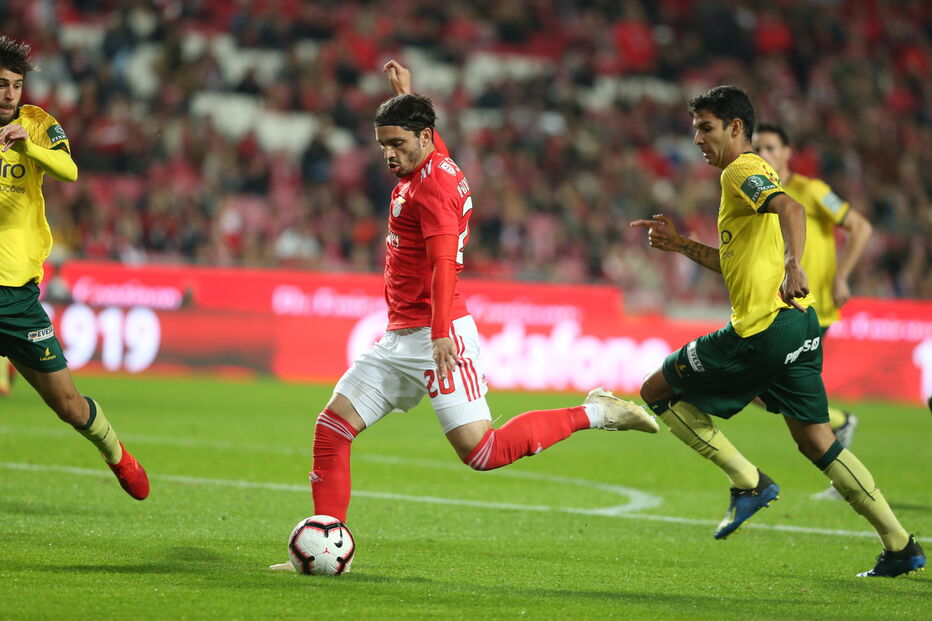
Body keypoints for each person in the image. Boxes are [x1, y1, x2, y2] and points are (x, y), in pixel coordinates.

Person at [268, 59, 658, 571]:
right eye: (383, 144)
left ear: (425, 137)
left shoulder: (432, 191)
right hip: (399, 341)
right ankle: (325, 542)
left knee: (482, 452)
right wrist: (407, 94)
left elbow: (443, 265)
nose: (388, 154)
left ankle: (597, 412)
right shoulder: (432, 159)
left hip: (440, 340)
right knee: (331, 428)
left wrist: (440, 334)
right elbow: (424, 140)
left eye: (398, 144)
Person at [630, 85, 923, 577]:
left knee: (656, 390)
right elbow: (733, 264)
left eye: (706, 128)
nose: (697, 138)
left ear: (736, 128)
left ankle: (748, 481)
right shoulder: (749, 177)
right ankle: (900, 544)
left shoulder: (741, 168)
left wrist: (793, 264)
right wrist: (681, 245)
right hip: (798, 325)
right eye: (695, 128)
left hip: (761, 330)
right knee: (817, 441)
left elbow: (793, 209)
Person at [0, 37, 148, 500]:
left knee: (67, 404)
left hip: (16, 295)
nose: (9, 94)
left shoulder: (36, 123)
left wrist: (29, 148)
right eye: (1, 85)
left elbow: (69, 171)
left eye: (16, 85)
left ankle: (116, 454)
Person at [754, 123, 873, 500]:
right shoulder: (758, 193)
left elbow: (861, 227)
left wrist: (842, 275)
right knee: (768, 389)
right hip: (782, 306)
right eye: (757, 148)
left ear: (788, 152)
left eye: (770, 147)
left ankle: (842, 449)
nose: (763, 154)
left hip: (812, 308)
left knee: (766, 386)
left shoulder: (811, 191)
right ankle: (840, 435)